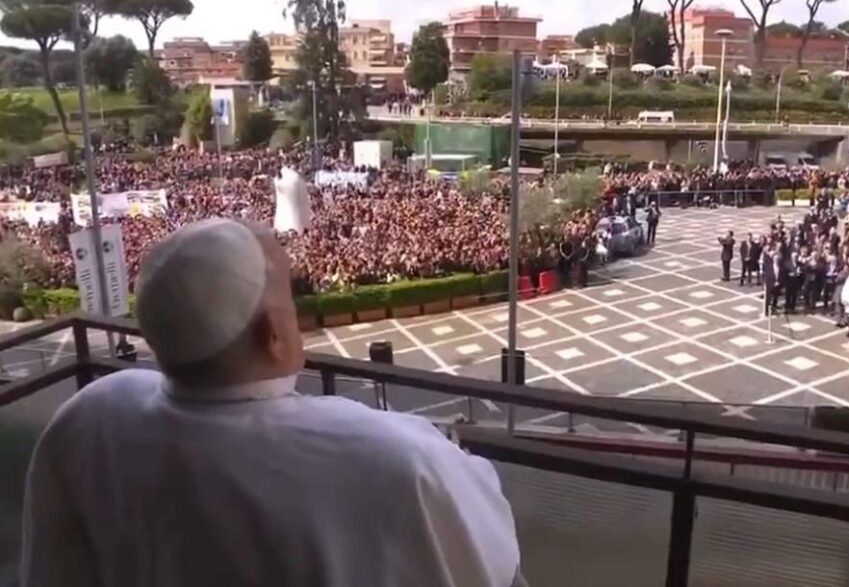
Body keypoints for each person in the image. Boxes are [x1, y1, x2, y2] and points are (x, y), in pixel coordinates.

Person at [20, 219, 523, 587]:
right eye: (290, 299)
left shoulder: (92, 415)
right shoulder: (399, 457)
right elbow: (491, 561)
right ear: (273, 334)